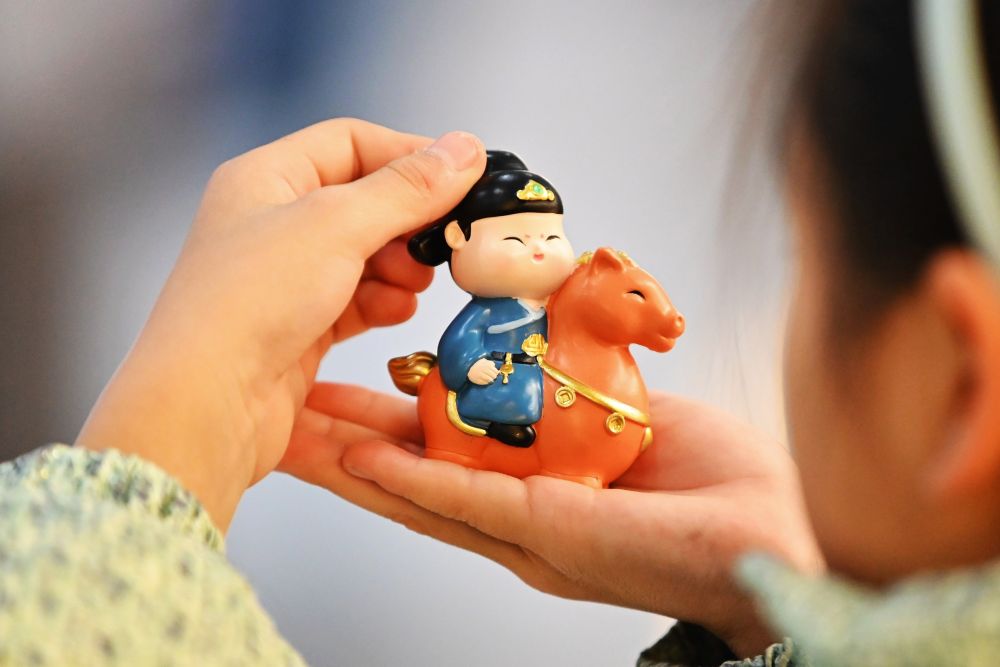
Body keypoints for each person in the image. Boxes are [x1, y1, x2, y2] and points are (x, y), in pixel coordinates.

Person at [6, 2, 1000, 666]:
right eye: (519, 239)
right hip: (492, 375)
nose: (544, 254)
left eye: (802, 257)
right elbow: (472, 352)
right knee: (496, 389)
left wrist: (159, 443)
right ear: (462, 242)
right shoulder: (493, 315)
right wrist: (771, 609)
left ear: (960, 380)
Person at [406, 150, 575, 447]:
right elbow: (458, 340)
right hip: (501, 378)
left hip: (544, 376)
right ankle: (491, 423)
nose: (539, 249)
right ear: (457, 237)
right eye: (515, 240)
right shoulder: (484, 311)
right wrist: (470, 364)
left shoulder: (559, 302)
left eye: (551, 238)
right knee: (512, 403)